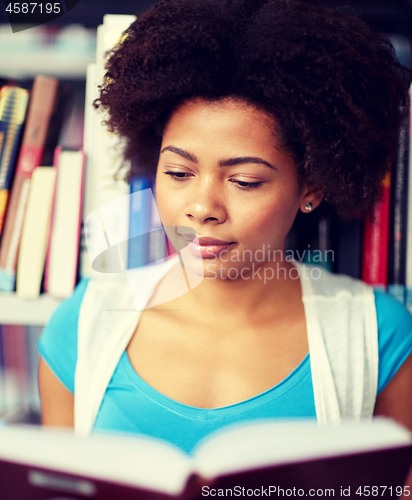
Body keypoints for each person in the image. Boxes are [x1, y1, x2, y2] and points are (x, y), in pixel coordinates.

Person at [39, 0, 412, 459]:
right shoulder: (83, 324)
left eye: (244, 181)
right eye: (178, 173)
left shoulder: (378, 336)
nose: (202, 208)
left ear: (310, 187)